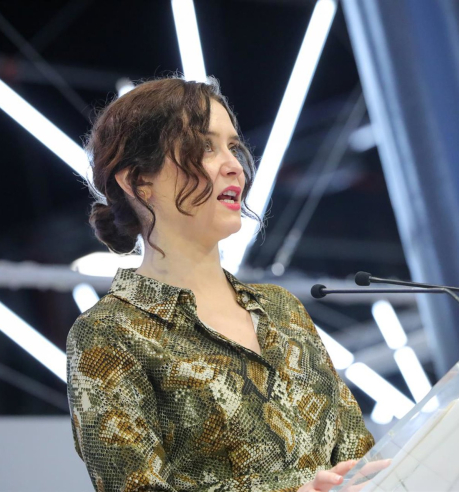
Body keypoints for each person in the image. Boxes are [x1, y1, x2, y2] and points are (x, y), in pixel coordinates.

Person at [66, 75, 378, 492]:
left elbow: (357, 455)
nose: (234, 166)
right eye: (204, 147)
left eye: (233, 146)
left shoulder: (282, 309)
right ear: (138, 180)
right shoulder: (108, 334)